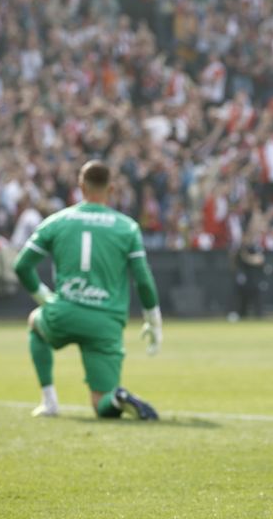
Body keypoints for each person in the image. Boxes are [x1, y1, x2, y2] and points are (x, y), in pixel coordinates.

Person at [13, 160, 162, 420]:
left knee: (35, 324)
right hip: (106, 322)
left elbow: (22, 266)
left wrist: (44, 298)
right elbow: (143, 279)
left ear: (80, 186)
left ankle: (49, 402)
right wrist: (154, 321)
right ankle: (116, 399)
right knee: (101, 402)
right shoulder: (127, 227)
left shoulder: (57, 221)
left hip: (65, 312)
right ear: (112, 189)